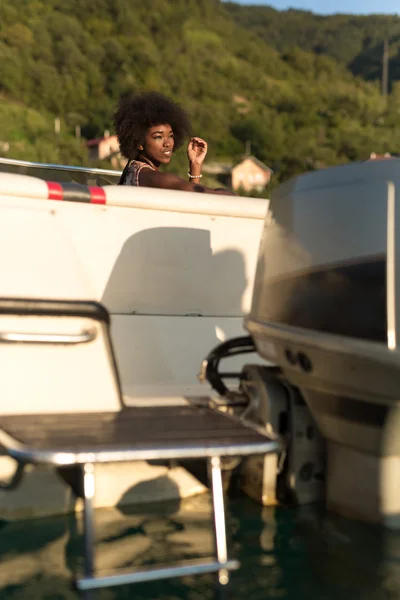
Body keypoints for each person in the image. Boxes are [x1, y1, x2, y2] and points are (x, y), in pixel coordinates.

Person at [114, 91, 235, 195]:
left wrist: (195, 165)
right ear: (138, 142)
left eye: (170, 136)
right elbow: (198, 194)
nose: (168, 143)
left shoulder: (135, 170)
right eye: (158, 137)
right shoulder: (151, 177)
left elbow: (192, 199)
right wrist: (231, 195)